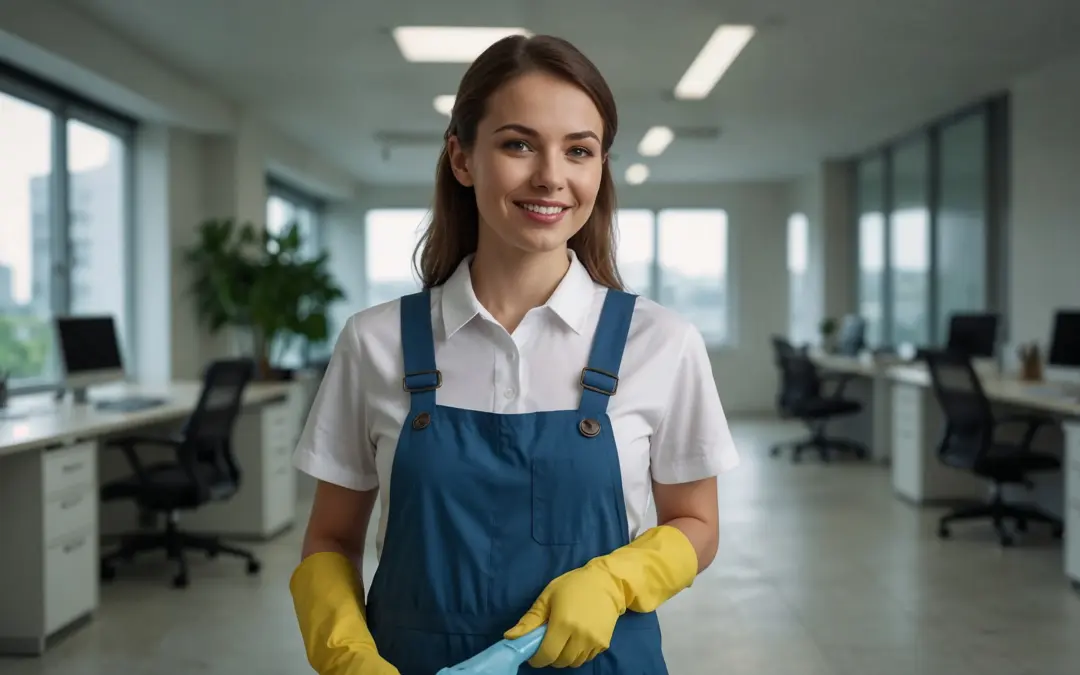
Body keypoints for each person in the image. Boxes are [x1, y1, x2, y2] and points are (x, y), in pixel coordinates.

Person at [288, 33, 739, 675]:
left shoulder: (661, 342)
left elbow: (697, 521)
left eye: (579, 151)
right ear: (463, 158)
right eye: (518, 143)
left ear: (598, 168)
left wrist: (616, 581)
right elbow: (331, 537)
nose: (551, 176)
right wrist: (342, 650)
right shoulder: (374, 342)